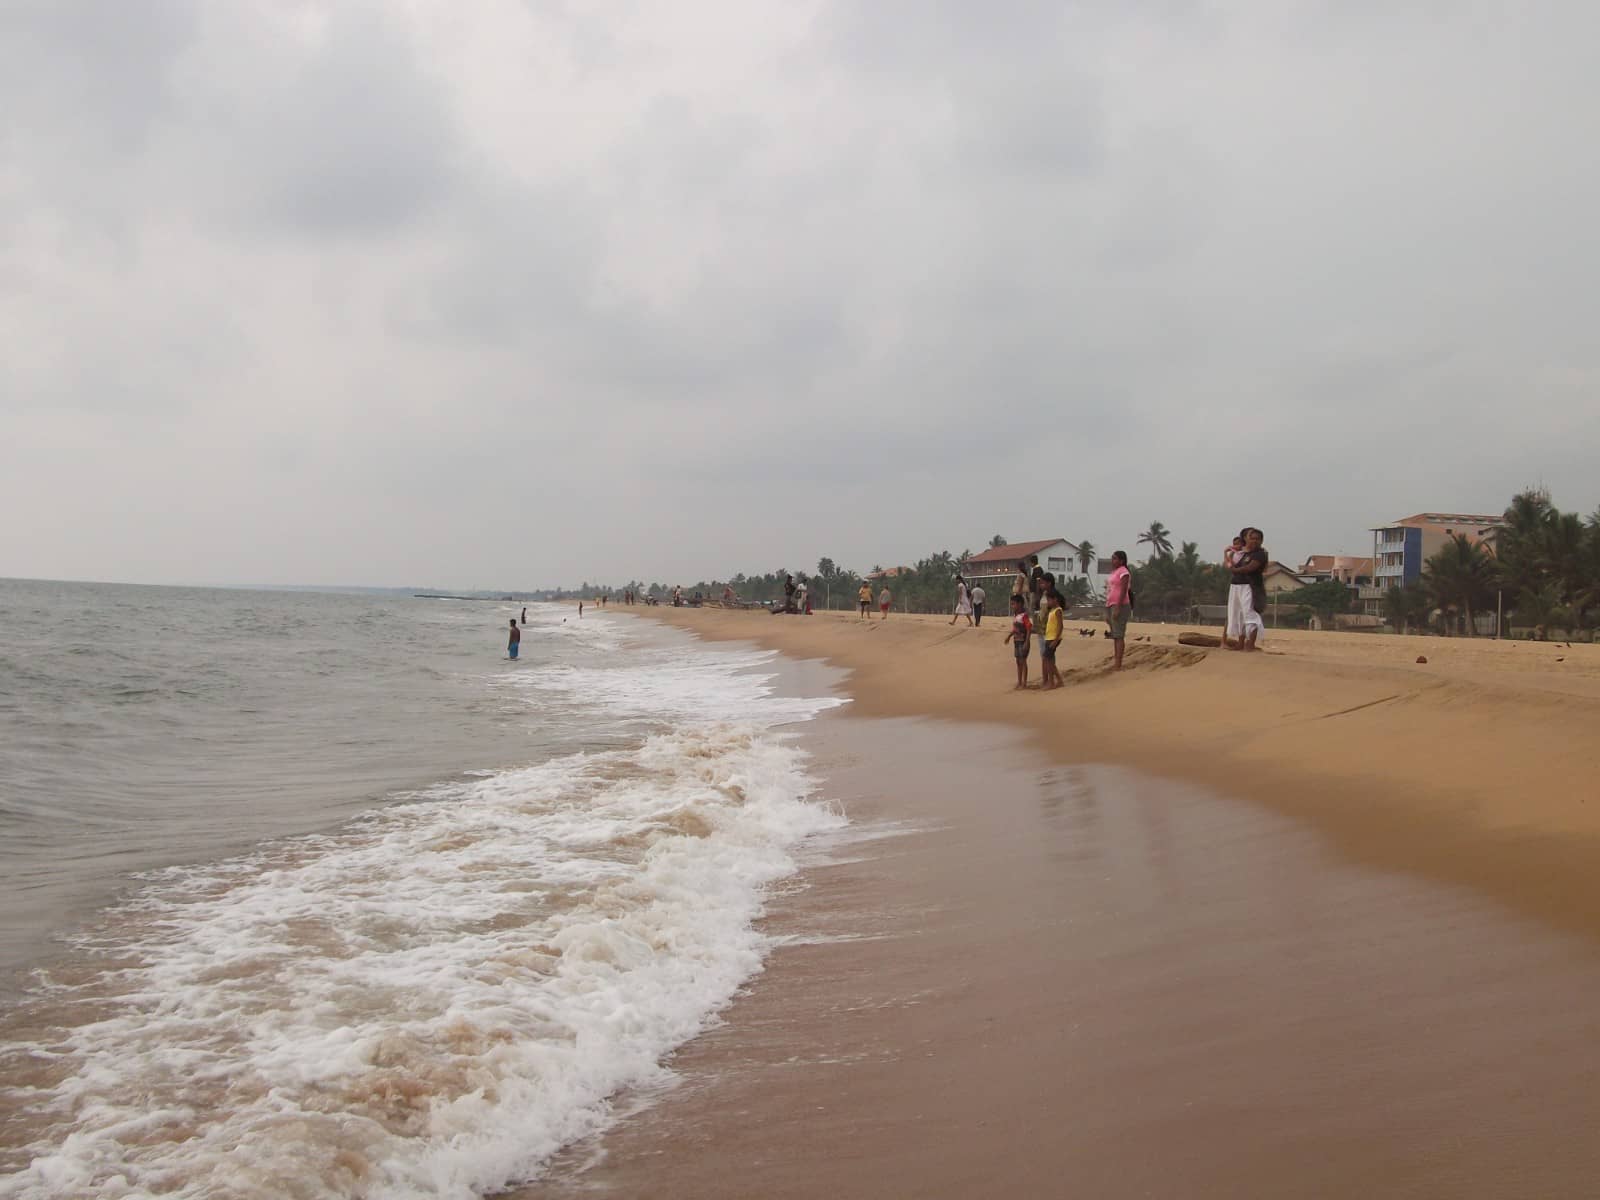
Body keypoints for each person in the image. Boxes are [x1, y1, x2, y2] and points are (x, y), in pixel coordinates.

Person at [1226, 528, 1268, 651]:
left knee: (1250, 614)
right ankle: (1240, 642)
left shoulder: (1260, 554)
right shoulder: (1244, 553)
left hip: (1250, 586)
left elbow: (1250, 568)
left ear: (1261, 540)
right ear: (1246, 539)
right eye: (1252, 538)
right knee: (1239, 615)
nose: (1255, 541)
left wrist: (1234, 570)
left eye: (1257, 539)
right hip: (1236, 585)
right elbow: (1230, 562)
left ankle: (1250, 644)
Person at [1104, 550, 1132, 670]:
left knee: (1119, 635)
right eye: (1112, 558)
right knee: (1115, 635)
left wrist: (1118, 607)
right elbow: (1110, 589)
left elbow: (1124, 590)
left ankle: (1118, 663)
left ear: (1121, 560)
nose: (1112, 561)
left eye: (1115, 559)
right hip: (1111, 604)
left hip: (1120, 605)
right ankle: (1116, 661)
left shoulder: (1124, 572)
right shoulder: (1114, 572)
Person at [1005, 593, 1033, 689]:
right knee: (1018, 661)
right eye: (1011, 604)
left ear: (1020, 604)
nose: (1012, 606)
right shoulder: (1016, 615)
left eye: (1013, 604)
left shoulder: (1024, 616)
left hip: (1023, 641)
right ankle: (1019, 681)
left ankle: (1024, 683)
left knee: (1023, 661)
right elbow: (1015, 629)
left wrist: (1027, 642)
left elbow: (1029, 628)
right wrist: (1009, 636)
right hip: (1016, 641)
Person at [1041, 592, 1064, 689]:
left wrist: (1056, 640)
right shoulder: (1052, 610)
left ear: (1055, 599)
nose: (1048, 602)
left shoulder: (1058, 610)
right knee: (1048, 660)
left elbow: (1060, 626)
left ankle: (1052, 682)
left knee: (1047, 659)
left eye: (1049, 600)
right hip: (1048, 637)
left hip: (1053, 638)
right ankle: (1059, 680)